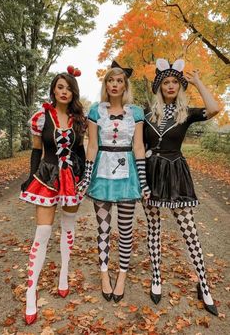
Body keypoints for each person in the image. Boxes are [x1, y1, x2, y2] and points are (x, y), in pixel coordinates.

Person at [143, 58, 220, 316]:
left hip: (176, 174)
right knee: (153, 228)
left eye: (175, 81)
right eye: (166, 82)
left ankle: (204, 284)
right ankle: (156, 277)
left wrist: (197, 82)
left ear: (180, 86)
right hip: (152, 175)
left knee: (189, 230)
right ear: (159, 87)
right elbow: (138, 147)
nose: (171, 85)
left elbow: (214, 109)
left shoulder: (185, 113)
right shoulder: (146, 115)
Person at [78, 60, 150, 303]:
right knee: (103, 229)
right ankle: (104, 274)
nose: (115, 84)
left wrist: (143, 181)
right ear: (106, 84)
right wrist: (86, 177)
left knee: (127, 229)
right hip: (102, 173)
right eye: (111, 80)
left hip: (127, 175)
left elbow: (138, 147)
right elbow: (92, 145)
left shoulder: (136, 112)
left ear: (125, 85)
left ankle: (121, 275)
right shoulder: (96, 110)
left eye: (120, 80)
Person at [20, 66, 86, 325]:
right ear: (53, 90)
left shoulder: (78, 120)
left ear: (73, 93)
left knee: (68, 228)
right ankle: (30, 292)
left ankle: (64, 274)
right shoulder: (40, 117)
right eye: (60, 87)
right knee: (43, 233)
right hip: (47, 177)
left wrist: (82, 178)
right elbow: (37, 150)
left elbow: (79, 151)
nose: (64, 92)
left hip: (71, 180)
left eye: (69, 88)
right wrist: (30, 176)